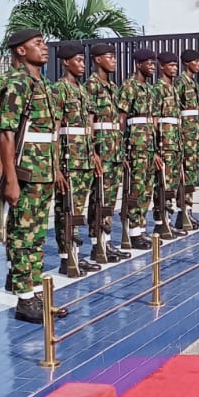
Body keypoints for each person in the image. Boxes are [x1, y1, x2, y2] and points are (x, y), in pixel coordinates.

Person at [0, 28, 67, 323]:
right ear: (21, 51)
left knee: (36, 235)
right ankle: (24, 298)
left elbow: (49, 135)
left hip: (44, 172)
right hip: (26, 171)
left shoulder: (44, 86)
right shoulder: (17, 84)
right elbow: (6, 133)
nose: (45, 47)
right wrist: (9, 178)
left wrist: (57, 169)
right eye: (37, 44)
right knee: (23, 235)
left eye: (44, 43)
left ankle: (35, 292)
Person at [52, 41, 101, 276]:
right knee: (66, 209)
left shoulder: (81, 90)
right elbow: (54, 130)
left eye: (83, 60)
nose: (82, 64)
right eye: (78, 60)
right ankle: (66, 257)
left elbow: (89, 127)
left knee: (78, 209)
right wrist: (55, 167)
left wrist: (93, 154)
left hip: (84, 160)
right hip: (68, 160)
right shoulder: (59, 90)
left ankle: (76, 254)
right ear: (65, 62)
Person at [85, 41, 129, 263]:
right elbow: (89, 122)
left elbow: (117, 123)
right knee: (98, 198)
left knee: (110, 198)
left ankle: (107, 240)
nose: (113, 60)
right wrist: (92, 152)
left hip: (114, 151)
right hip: (101, 151)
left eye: (114, 56)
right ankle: (97, 244)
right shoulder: (91, 86)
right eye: (109, 56)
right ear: (97, 59)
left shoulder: (113, 87)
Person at [117, 47, 161, 250]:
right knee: (135, 189)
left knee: (146, 189)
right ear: (138, 64)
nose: (152, 67)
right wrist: (121, 149)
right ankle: (133, 233)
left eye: (154, 63)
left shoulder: (150, 90)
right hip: (134, 147)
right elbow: (121, 120)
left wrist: (157, 149)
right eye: (149, 63)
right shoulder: (129, 86)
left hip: (149, 147)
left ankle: (141, 228)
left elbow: (153, 122)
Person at [155, 51, 187, 237]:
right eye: (171, 65)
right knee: (163, 185)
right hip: (163, 144)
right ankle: (161, 222)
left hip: (175, 144)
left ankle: (168, 219)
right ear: (162, 66)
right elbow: (155, 120)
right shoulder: (158, 89)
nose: (174, 69)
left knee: (173, 185)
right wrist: (156, 149)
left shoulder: (174, 89)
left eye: (176, 65)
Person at [176, 48, 199, 229]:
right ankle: (182, 213)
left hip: (194, 137)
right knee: (184, 175)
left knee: (192, 175)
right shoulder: (180, 82)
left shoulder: (193, 83)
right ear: (188, 63)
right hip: (185, 137)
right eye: (196, 61)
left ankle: (188, 211)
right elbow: (175, 111)